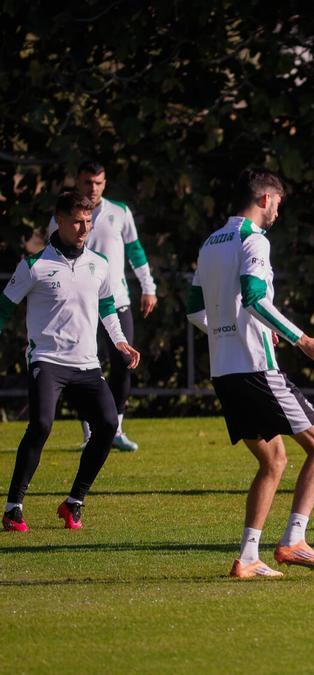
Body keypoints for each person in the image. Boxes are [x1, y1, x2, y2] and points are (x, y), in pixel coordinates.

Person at [186, 168, 314, 578]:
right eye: (278, 202)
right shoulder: (253, 239)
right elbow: (255, 297)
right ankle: (293, 541)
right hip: (256, 368)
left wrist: (233, 328)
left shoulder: (210, 243)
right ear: (264, 199)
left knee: (273, 462)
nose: (278, 211)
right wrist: (301, 339)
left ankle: (248, 558)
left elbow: (193, 309)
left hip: (224, 370)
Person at [2, 191, 141, 532]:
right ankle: (13, 507)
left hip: (87, 364)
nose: (84, 229)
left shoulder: (99, 264)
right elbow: (4, 307)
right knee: (42, 426)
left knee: (108, 424)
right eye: (77, 221)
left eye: (89, 222)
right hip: (47, 361)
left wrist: (121, 342)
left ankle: (74, 501)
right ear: (60, 221)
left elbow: (107, 307)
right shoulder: (34, 266)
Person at [49, 160, 158, 452]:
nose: (92, 188)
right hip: (79, 305)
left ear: (105, 183)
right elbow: (51, 255)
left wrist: (148, 287)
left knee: (123, 363)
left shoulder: (119, 212)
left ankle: (117, 429)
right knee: (84, 367)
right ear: (78, 181)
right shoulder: (63, 216)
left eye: (98, 183)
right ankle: (89, 433)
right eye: (87, 182)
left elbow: (135, 249)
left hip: (117, 301)